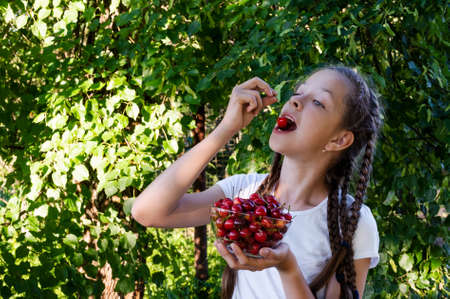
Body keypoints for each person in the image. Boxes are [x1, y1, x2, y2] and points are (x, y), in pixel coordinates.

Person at [131, 66, 383, 299]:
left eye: (318, 102)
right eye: (298, 92)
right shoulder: (243, 191)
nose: (295, 100)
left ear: (338, 140)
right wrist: (226, 128)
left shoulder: (353, 222)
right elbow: (147, 212)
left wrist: (287, 267)